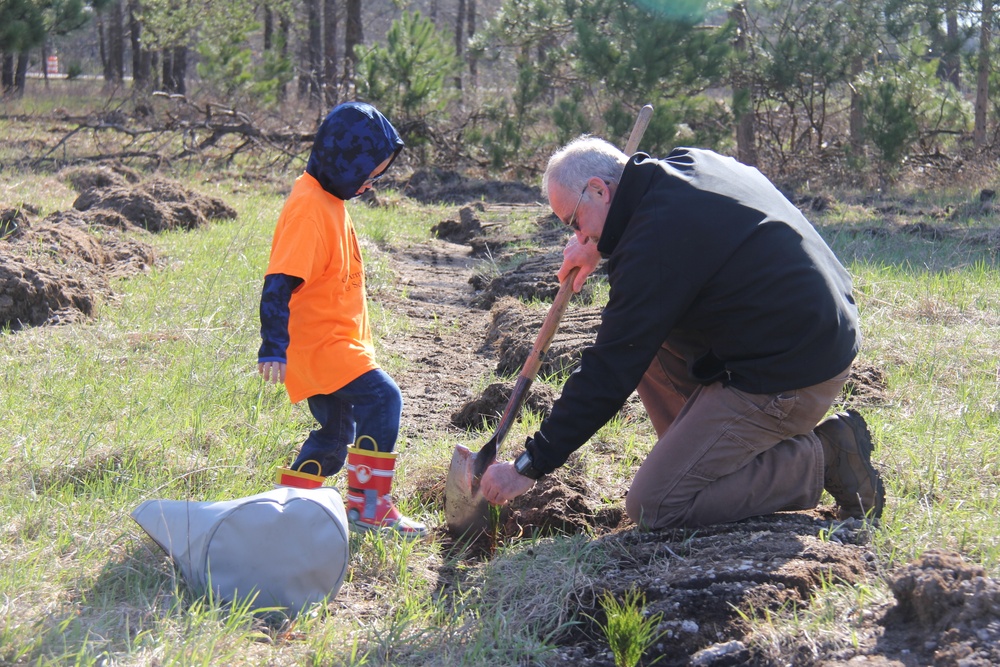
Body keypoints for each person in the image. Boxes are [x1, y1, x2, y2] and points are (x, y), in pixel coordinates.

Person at [479, 136, 885, 529]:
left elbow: (610, 369)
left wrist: (530, 464)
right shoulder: (684, 167)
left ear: (600, 190)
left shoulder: (653, 244)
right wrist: (599, 244)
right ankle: (704, 459)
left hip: (793, 374)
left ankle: (825, 456)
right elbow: (671, 246)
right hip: (809, 330)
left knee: (656, 504)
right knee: (647, 341)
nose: (578, 235)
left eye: (573, 221)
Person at [257, 101, 426, 538]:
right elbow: (278, 282)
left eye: (377, 176)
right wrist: (272, 346)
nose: (371, 185)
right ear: (344, 161)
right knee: (384, 400)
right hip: (324, 346)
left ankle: (286, 508)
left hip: (331, 343)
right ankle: (369, 508)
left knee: (334, 436)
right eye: (369, 174)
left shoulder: (327, 196)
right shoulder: (309, 209)